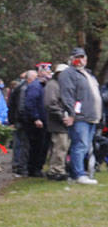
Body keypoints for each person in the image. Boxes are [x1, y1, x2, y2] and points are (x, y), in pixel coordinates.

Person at [57, 47, 102, 184]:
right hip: (79, 117)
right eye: (77, 57)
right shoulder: (68, 74)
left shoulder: (88, 74)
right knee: (80, 145)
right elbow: (67, 95)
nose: (80, 60)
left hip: (92, 116)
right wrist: (71, 114)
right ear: (71, 59)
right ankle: (78, 174)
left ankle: (77, 172)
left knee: (86, 146)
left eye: (82, 57)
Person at [43, 64, 69, 180]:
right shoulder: (52, 85)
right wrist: (62, 116)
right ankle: (55, 171)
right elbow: (50, 104)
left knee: (63, 147)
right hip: (57, 122)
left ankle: (59, 169)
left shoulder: (61, 85)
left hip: (63, 121)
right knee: (59, 147)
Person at [8, 70, 35, 175]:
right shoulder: (24, 89)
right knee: (22, 144)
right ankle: (19, 166)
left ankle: (18, 164)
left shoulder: (20, 88)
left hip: (18, 119)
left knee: (19, 143)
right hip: (21, 121)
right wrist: (24, 118)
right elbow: (21, 106)